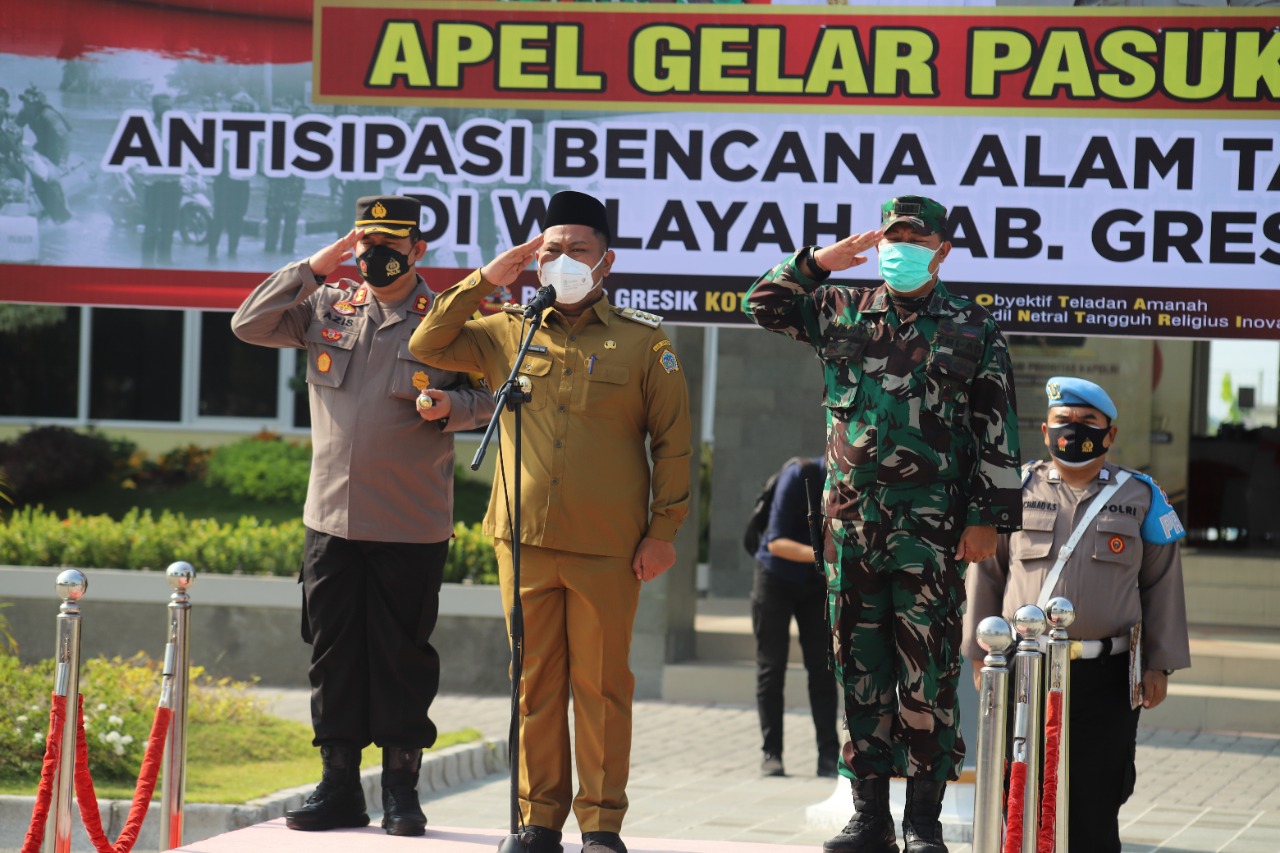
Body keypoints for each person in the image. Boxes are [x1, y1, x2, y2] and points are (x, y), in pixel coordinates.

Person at [409, 190, 692, 853]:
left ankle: (601, 824)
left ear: (606, 261)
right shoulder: (509, 329)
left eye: (578, 250)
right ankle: (537, 819)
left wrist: (663, 532)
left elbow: (673, 444)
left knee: (601, 687)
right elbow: (428, 341)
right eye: (551, 250)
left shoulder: (643, 342)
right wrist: (486, 279)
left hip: (607, 544)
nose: (563, 260)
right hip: (523, 536)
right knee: (533, 683)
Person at [744, 195, 1022, 853]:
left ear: (941, 251)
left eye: (915, 241)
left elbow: (996, 428)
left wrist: (987, 519)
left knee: (926, 675)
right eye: (893, 238)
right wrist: (819, 263)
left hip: (931, 532)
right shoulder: (841, 309)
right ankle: (869, 815)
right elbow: (763, 304)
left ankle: (923, 820)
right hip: (851, 527)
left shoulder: (972, 327)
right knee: (858, 669)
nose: (900, 250)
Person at [230, 195, 495, 837]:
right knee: (333, 655)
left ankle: (401, 791)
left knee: (402, 659)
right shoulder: (329, 305)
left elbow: (498, 391)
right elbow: (249, 323)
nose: (376, 256)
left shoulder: (448, 321)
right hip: (331, 519)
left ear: (417, 250)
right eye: (366, 242)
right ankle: (339, 787)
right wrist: (315, 267)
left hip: (410, 522)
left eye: (390, 245)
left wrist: (454, 410)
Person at [962, 376, 1190, 853]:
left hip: (1106, 675)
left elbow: (1162, 584)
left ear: (1110, 434)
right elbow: (986, 573)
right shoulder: (1013, 489)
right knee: (1020, 794)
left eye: (1088, 421)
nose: (1075, 429)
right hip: (1024, 669)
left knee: (1097, 796)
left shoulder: (1141, 497)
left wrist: (1159, 665)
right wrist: (982, 657)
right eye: (1064, 420)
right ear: (1046, 431)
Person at [751, 455, 841, 779]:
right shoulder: (799, 476)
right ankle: (771, 752)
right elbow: (776, 543)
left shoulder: (851, 485)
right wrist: (826, 556)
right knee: (771, 667)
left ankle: (828, 756)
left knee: (822, 669)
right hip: (775, 578)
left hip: (815, 583)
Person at [207, 91, 255, 261]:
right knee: (219, 215)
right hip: (224, 180)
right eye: (239, 107)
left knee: (238, 216)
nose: (243, 110)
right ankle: (212, 249)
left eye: (246, 108)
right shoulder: (223, 126)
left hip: (243, 181)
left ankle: (232, 249)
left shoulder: (253, 129)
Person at [139, 93, 179, 266]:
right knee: (152, 227)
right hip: (154, 185)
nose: (168, 110)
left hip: (173, 183)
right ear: (155, 108)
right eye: (164, 107)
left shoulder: (179, 128)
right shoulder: (146, 128)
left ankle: (165, 262)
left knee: (169, 226)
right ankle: (146, 266)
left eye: (170, 107)